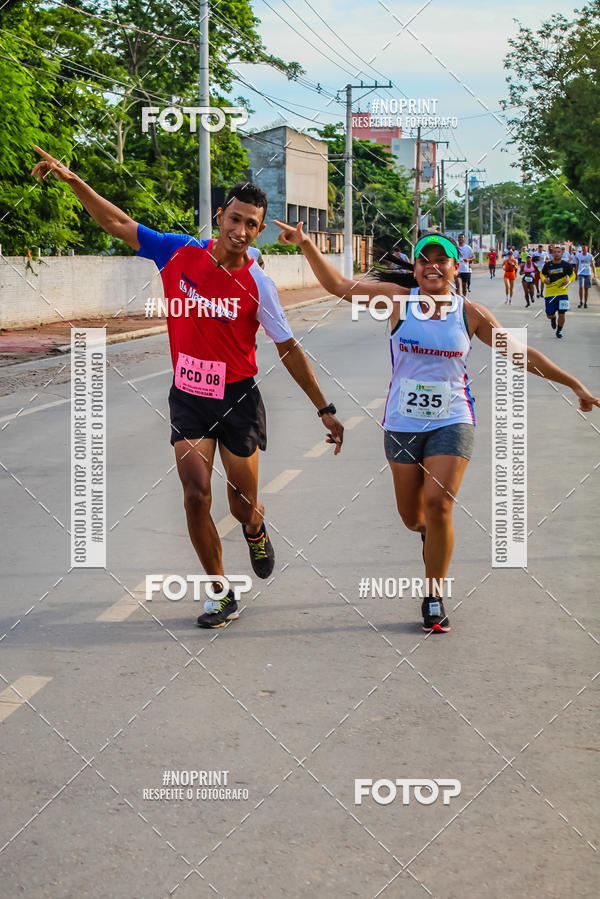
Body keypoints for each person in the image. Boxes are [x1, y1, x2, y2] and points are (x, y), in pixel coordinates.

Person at [31, 146, 344, 629]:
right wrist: (73, 181)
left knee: (241, 505)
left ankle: (256, 529)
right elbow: (117, 223)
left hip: (238, 397)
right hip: (189, 397)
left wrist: (323, 407)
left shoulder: (259, 285)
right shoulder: (179, 252)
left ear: (259, 231)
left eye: (251, 225)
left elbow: (288, 349)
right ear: (220, 218)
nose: (240, 231)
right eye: (234, 219)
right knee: (196, 494)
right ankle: (220, 593)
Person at [272, 222, 599, 633]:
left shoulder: (471, 314)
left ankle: (433, 595)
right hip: (402, 423)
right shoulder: (397, 300)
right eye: (424, 259)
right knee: (413, 517)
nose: (432, 266)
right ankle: (431, 538)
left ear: (454, 265)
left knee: (439, 504)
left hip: (453, 418)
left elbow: (519, 354)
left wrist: (574, 384)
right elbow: (339, 286)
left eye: (440, 259)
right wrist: (306, 243)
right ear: (415, 268)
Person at [541, 244, 575, 339]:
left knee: (562, 313)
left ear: (562, 253)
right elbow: (542, 274)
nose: (556, 254)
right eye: (555, 252)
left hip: (563, 293)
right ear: (552, 254)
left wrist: (569, 281)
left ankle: (559, 330)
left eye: (559, 252)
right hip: (550, 293)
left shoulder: (566, 265)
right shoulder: (547, 265)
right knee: (549, 314)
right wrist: (544, 280)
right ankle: (553, 318)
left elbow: (573, 275)